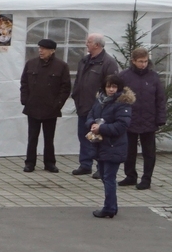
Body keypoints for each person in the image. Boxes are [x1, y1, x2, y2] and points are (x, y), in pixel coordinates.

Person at [70, 33, 120, 176]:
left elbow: (112, 86)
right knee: (84, 135)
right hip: (83, 105)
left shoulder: (108, 62)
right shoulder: (84, 60)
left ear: (97, 45)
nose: (86, 44)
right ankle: (85, 164)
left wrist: (104, 103)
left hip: (99, 108)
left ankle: (101, 167)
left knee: (99, 138)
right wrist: (75, 95)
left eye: (89, 42)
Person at [116, 47, 166, 190]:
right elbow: (117, 97)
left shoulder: (153, 77)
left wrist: (160, 118)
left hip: (149, 120)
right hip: (130, 118)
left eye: (145, 61)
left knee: (149, 152)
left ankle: (146, 178)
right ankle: (130, 175)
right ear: (133, 61)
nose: (143, 64)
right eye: (140, 61)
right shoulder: (124, 76)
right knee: (129, 150)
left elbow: (160, 98)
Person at [19, 38, 71, 173]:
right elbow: (24, 83)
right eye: (39, 48)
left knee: (49, 138)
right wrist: (25, 99)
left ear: (52, 51)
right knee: (32, 137)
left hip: (51, 107)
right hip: (33, 106)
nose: (40, 51)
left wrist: (58, 104)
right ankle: (30, 162)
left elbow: (65, 88)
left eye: (44, 49)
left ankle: (50, 163)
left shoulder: (61, 66)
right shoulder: (31, 64)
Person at [85, 76, 135, 219]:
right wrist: (92, 125)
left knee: (109, 177)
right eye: (108, 86)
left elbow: (121, 126)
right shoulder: (100, 101)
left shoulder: (123, 104)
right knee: (104, 176)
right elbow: (89, 116)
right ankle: (112, 205)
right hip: (101, 145)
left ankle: (109, 208)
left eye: (114, 86)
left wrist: (102, 128)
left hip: (114, 145)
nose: (111, 89)